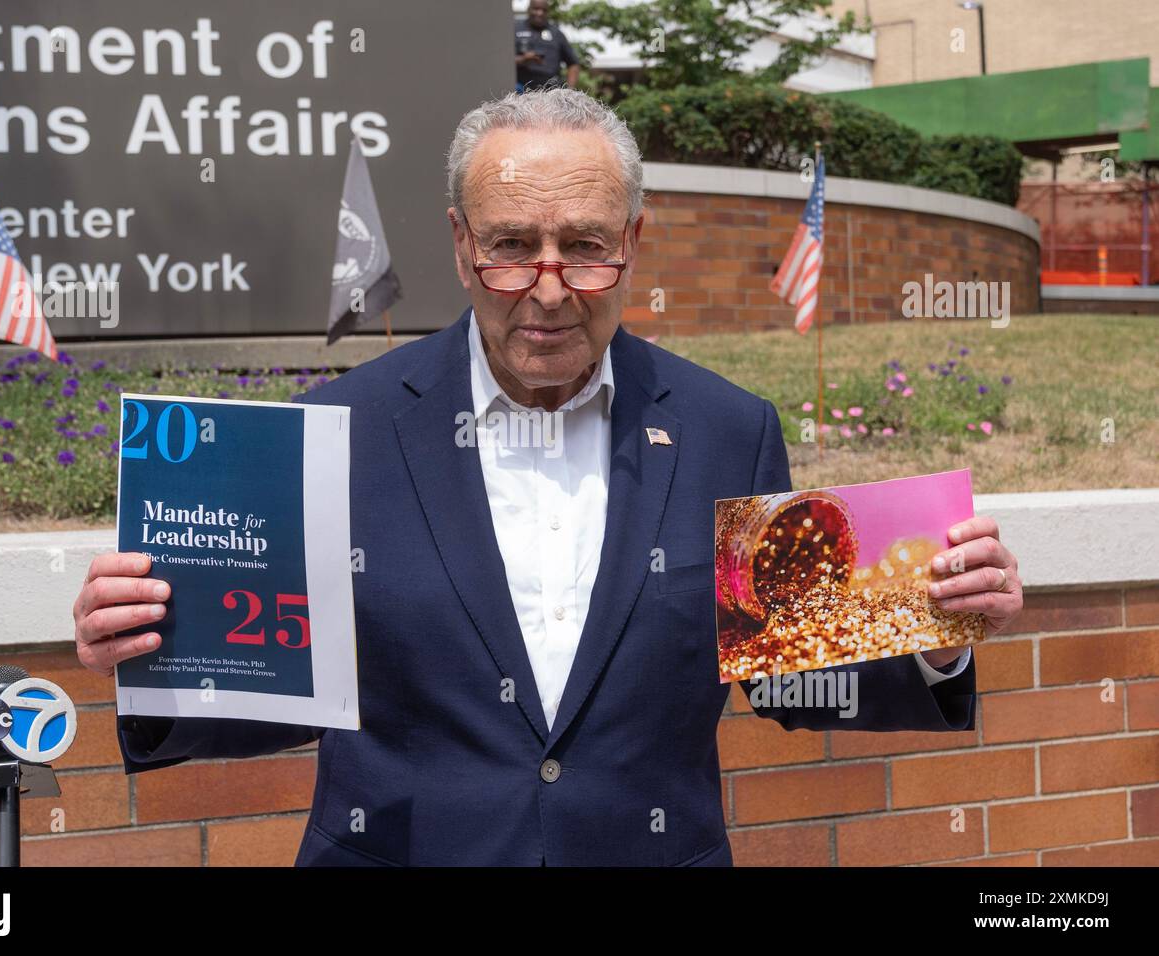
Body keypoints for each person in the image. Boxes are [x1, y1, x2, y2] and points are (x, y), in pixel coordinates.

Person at [73, 88, 1024, 866]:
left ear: (632, 241)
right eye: (513, 245)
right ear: (460, 243)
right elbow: (263, 696)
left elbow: (784, 680)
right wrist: (150, 650)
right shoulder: (331, 432)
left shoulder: (727, 430)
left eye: (586, 245)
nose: (551, 284)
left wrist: (940, 633)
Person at [514, 0, 580, 91]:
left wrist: (570, 90)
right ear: (528, 9)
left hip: (551, 90)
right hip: (521, 88)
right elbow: (502, 61)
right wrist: (523, 59)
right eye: (536, 9)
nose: (540, 13)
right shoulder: (515, 29)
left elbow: (573, 63)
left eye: (544, 10)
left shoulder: (556, 33)